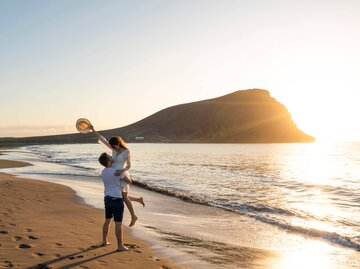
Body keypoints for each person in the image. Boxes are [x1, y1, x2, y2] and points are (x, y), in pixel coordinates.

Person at [90, 125, 145, 227]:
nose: (113, 147)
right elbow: (103, 139)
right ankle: (138, 201)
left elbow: (129, 165)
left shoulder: (127, 151)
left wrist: (122, 170)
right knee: (121, 196)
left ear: (119, 143)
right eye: (112, 146)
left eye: (114, 145)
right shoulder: (113, 149)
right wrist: (93, 130)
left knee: (123, 196)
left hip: (121, 173)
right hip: (114, 173)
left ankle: (134, 216)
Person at [98, 152, 130, 251]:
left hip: (107, 198)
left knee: (107, 220)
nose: (112, 157)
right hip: (116, 198)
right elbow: (129, 181)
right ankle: (120, 246)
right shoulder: (116, 171)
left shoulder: (103, 172)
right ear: (107, 161)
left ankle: (104, 241)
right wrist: (123, 171)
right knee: (118, 223)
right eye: (109, 157)